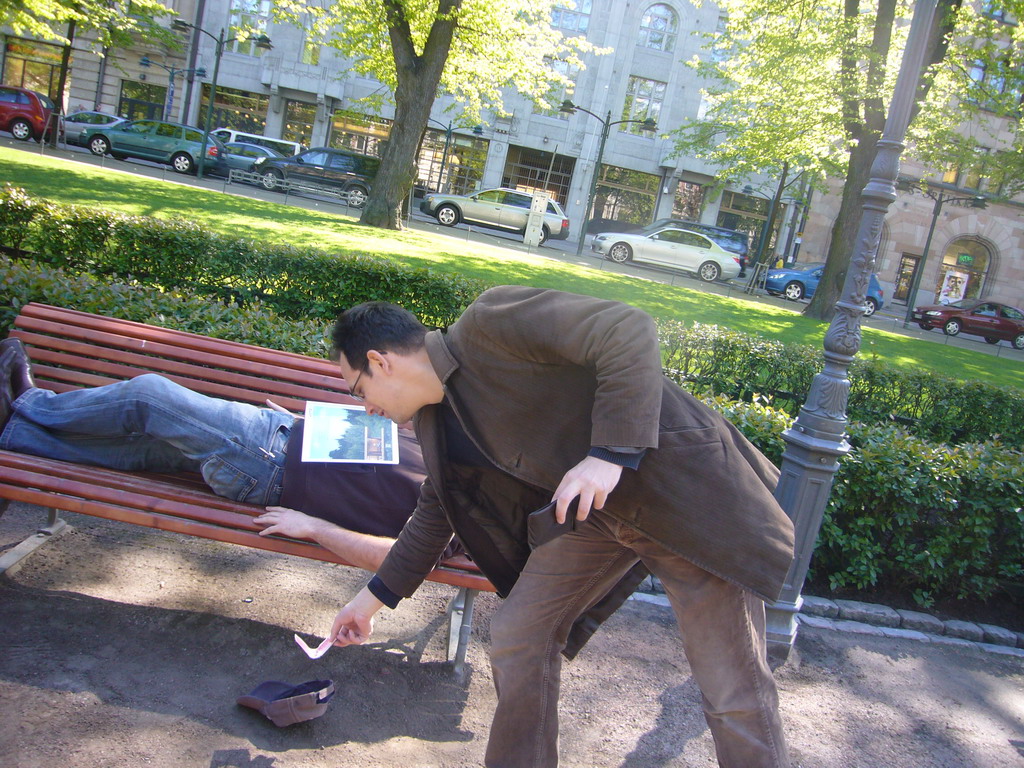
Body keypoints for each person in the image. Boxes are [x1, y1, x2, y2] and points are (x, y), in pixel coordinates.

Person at [325, 286, 796, 768]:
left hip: (683, 496)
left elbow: (626, 327)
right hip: (595, 517)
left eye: (358, 390)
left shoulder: (490, 323)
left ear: (380, 362)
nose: (365, 407)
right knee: (518, 632)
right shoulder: (434, 420)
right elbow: (434, 511)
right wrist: (370, 602)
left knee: (730, 685)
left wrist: (609, 454)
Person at [0, 337, 432, 571]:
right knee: (143, 449)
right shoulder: (465, 464)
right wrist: (308, 425)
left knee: (151, 396)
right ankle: (16, 433)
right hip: (281, 442)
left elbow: (396, 558)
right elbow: (387, 452)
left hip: (269, 462)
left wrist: (313, 527)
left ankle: (28, 402)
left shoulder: (467, 515)